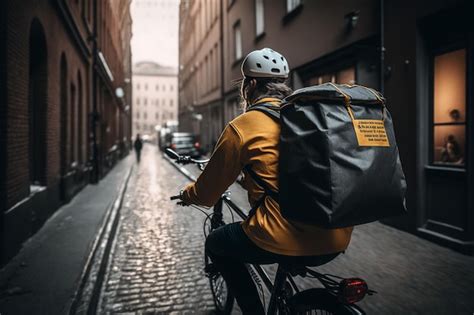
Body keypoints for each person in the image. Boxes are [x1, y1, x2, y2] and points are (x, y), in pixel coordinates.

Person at [180, 48, 353, 314]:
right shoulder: (311, 118)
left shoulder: (243, 126)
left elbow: (206, 195)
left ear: (249, 86)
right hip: (335, 236)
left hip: (279, 236)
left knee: (217, 243)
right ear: (283, 85)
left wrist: (187, 194)